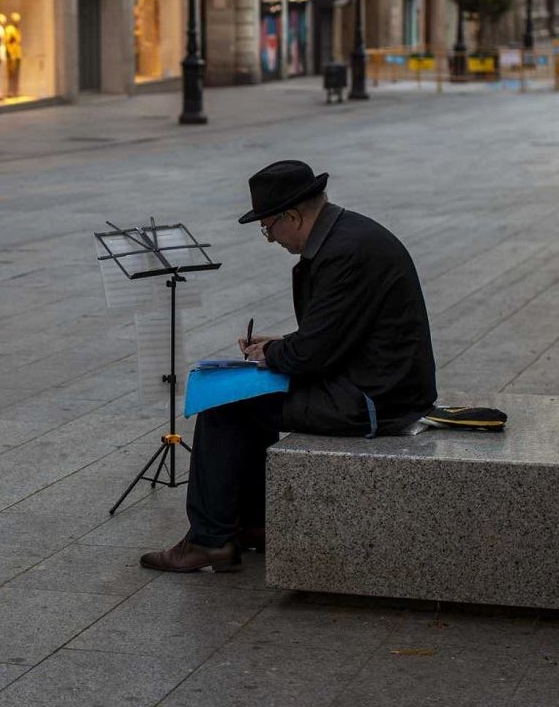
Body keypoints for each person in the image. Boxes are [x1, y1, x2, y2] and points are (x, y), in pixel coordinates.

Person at [140, 161, 438, 573]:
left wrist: (274, 354)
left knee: (224, 404)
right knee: (248, 396)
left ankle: (209, 539)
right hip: (372, 382)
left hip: (374, 399)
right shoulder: (347, 237)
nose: (269, 238)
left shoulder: (344, 253)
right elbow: (334, 334)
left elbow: (313, 353)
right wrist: (279, 345)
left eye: (268, 228)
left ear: (292, 216)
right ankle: (253, 524)